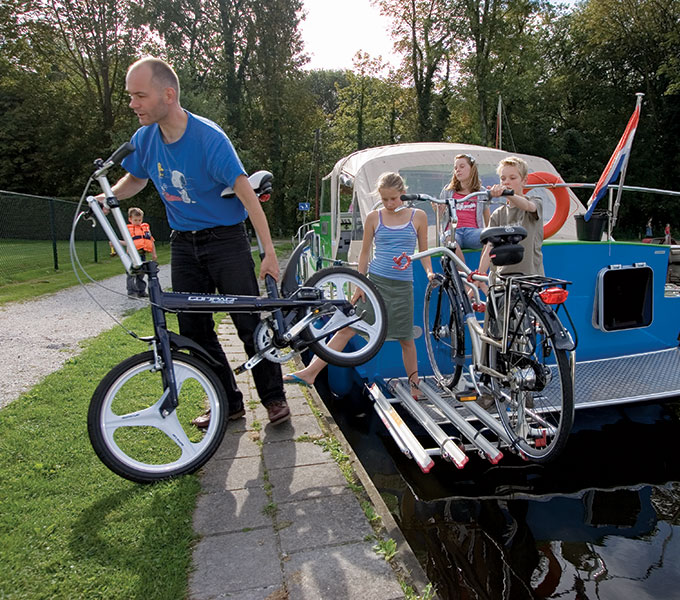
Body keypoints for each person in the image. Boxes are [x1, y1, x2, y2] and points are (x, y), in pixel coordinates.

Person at [96, 57, 289, 427]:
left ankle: (274, 399)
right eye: (130, 96)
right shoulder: (145, 138)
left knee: (248, 323)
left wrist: (267, 253)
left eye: (139, 95)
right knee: (194, 331)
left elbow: (248, 197)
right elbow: (136, 179)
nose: (132, 104)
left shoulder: (209, 139)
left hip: (226, 241)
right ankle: (226, 402)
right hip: (184, 243)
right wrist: (112, 198)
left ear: (168, 95)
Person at [284, 172, 434, 398]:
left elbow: (423, 252)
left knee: (406, 339)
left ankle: (415, 386)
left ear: (403, 193)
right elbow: (364, 253)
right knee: (347, 328)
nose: (389, 204)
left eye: (393, 198)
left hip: (403, 286)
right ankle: (310, 373)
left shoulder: (419, 216)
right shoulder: (374, 218)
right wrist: (359, 284)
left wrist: (430, 272)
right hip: (376, 284)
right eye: (384, 199)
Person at [477, 156, 544, 281]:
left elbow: (528, 206)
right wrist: (479, 276)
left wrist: (508, 193)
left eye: (512, 178)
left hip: (530, 277)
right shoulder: (497, 214)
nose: (507, 182)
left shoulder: (535, 201)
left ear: (524, 181)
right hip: (502, 278)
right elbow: (489, 248)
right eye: (503, 179)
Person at [439, 153, 490, 263]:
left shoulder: (481, 191)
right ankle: (465, 274)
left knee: (490, 237)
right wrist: (438, 209)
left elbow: (487, 215)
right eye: (455, 168)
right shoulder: (448, 191)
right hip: (453, 232)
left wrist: (490, 231)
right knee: (450, 239)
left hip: (472, 232)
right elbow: (440, 217)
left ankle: (481, 271)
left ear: (472, 169)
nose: (458, 170)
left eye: (462, 167)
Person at [123, 206, 157, 298]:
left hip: (142, 254)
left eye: (140, 220)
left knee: (141, 274)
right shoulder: (128, 230)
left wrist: (154, 253)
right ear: (130, 219)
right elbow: (127, 242)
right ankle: (131, 292)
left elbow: (150, 240)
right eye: (135, 220)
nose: (138, 222)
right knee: (131, 273)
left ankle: (141, 291)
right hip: (132, 254)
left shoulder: (145, 228)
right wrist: (116, 242)